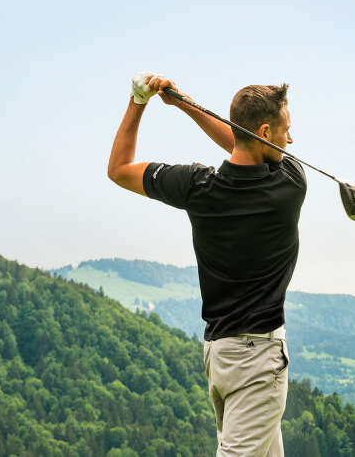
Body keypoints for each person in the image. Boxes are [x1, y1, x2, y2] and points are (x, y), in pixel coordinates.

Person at [107, 72, 306, 456]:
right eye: (285, 131)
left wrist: (139, 100)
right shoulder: (290, 185)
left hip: (220, 355)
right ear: (266, 130)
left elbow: (119, 169)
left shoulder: (197, 187)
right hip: (259, 361)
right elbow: (241, 140)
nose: (290, 140)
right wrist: (184, 103)